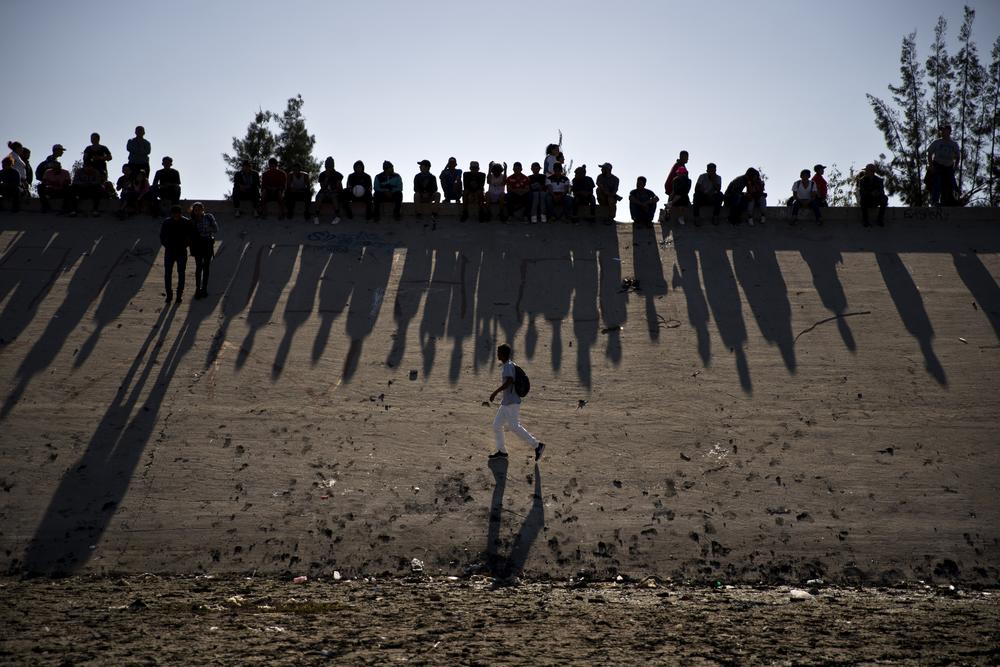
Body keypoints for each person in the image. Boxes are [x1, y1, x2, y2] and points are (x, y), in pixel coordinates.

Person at [488, 344, 546, 461]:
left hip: (512, 403)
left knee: (514, 427)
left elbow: (509, 381)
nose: (497, 354)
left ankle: (537, 445)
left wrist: (495, 392)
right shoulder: (508, 364)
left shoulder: (508, 366)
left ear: (503, 354)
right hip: (506, 403)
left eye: (498, 352)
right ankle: (502, 451)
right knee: (496, 426)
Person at [159, 204, 195, 304]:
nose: (175, 216)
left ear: (180, 213)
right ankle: (169, 296)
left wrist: (185, 245)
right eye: (174, 214)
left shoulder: (186, 222)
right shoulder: (167, 222)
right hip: (170, 251)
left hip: (181, 251)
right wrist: (168, 245)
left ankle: (179, 295)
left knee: (181, 273)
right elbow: (162, 237)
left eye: (177, 214)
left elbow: (191, 236)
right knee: (167, 274)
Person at [189, 202, 219, 299]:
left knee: (206, 268)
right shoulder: (192, 221)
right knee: (198, 267)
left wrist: (205, 230)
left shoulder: (209, 217)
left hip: (207, 244)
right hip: (197, 245)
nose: (197, 211)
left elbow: (216, 229)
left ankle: (204, 289)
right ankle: (198, 288)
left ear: (202, 209)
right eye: (195, 209)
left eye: (199, 209)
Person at [927, 124, 961, 206]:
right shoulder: (937, 142)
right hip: (938, 165)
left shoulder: (954, 144)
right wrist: (931, 166)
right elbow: (929, 153)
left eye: (944, 130)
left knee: (953, 184)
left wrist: (956, 166)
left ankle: (956, 200)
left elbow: (958, 156)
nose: (942, 132)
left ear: (949, 132)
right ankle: (935, 201)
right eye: (941, 131)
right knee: (937, 182)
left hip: (949, 166)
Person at [315, 157, 343, 224]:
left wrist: (333, 191)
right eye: (327, 164)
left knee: (334, 196)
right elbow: (322, 187)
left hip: (335, 192)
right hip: (324, 192)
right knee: (319, 196)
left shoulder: (338, 175)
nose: (328, 165)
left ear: (333, 165)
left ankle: (337, 216)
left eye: (330, 164)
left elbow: (339, 187)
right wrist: (326, 178)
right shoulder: (322, 175)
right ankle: (316, 216)